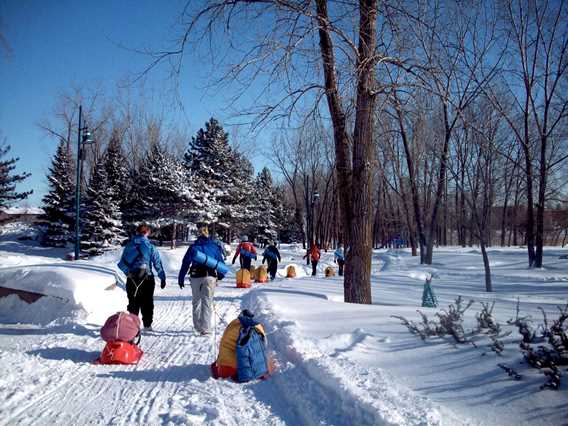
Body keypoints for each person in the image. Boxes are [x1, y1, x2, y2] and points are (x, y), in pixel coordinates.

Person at [178, 223, 226, 335]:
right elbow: (220, 263)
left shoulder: (193, 247)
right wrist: (220, 275)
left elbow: (185, 263)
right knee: (207, 302)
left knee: (196, 302)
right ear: (208, 233)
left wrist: (181, 278)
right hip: (209, 276)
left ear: (198, 234)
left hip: (195, 277)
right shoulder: (214, 246)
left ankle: (198, 327)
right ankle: (206, 329)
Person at [118, 223, 166, 331]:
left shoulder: (129, 246)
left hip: (132, 278)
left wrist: (128, 273)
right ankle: (147, 325)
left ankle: (133, 326)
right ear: (147, 232)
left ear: (137, 232)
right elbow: (157, 263)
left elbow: (122, 263)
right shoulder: (150, 246)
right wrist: (162, 277)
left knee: (133, 302)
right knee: (147, 302)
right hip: (147, 278)